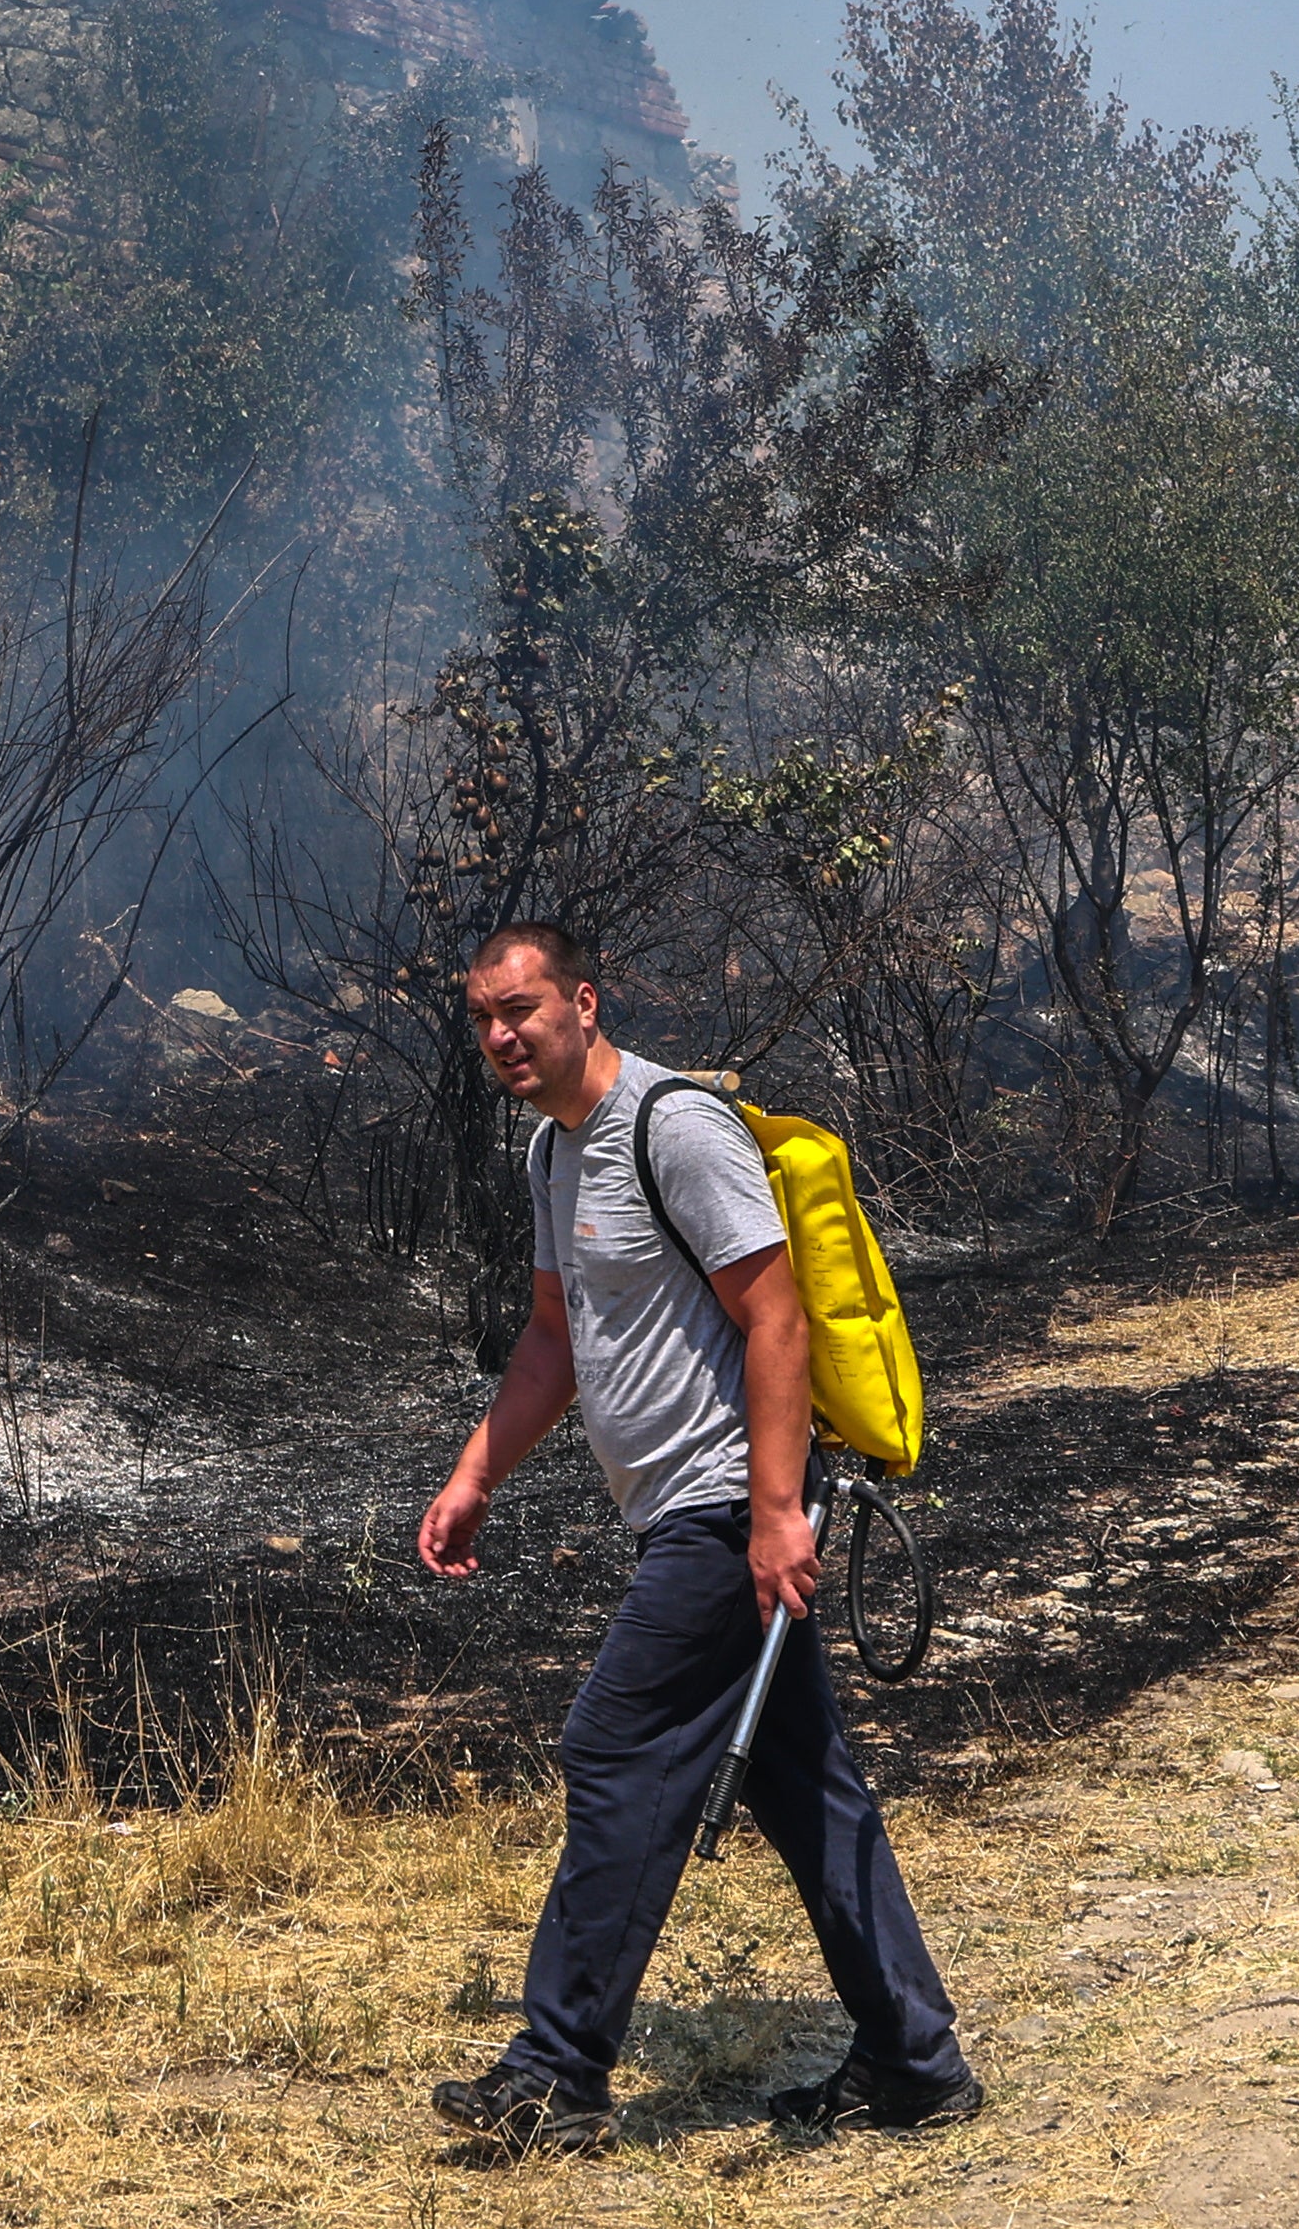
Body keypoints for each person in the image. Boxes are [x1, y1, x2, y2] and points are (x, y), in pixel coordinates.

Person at [415, 919, 982, 2155]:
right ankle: (914, 2062)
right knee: (806, 1785)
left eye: (523, 1008)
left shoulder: (673, 1127)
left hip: (725, 1508)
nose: (505, 1034)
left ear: (582, 1000)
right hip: (686, 1511)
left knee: (611, 1745)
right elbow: (552, 1340)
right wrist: (473, 1476)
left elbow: (773, 1316)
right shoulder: (551, 1154)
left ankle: (555, 2069)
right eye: (485, 1018)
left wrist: (776, 1510)